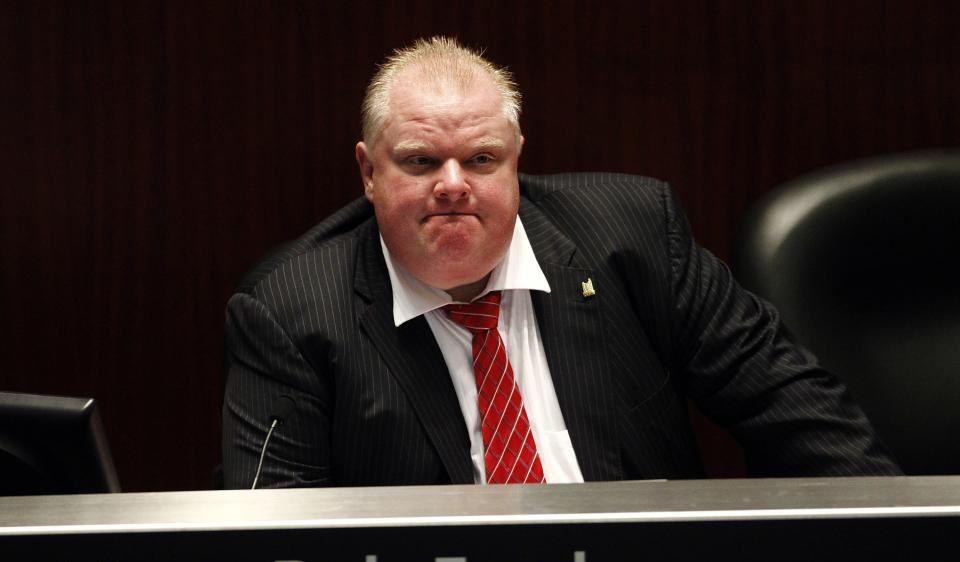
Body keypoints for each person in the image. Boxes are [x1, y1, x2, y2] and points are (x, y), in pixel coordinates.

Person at [221, 36, 900, 489]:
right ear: (369, 173)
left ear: (517, 159)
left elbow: (795, 407)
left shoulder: (631, 236)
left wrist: (897, 548)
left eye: (482, 159)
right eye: (422, 162)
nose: (453, 184)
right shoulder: (292, 312)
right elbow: (275, 540)